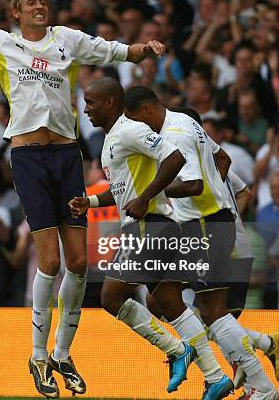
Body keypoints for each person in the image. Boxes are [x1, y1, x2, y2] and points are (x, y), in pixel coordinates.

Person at [0, 0, 165, 397]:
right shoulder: (2, 42)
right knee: (50, 263)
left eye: (44, 2)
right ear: (17, 11)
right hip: (29, 158)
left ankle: (62, 353)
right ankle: (37, 358)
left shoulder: (67, 40)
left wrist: (141, 50)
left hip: (67, 156)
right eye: (31, 2)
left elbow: (111, 50)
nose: (40, 6)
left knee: (78, 263)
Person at [71, 78, 231, 400]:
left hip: (150, 227)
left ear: (111, 103)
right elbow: (122, 194)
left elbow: (174, 158)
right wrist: (90, 202)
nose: (85, 108)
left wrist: (145, 198)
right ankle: (215, 377)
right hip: (150, 225)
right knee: (171, 305)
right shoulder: (111, 140)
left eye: (91, 102)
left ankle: (176, 351)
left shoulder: (130, 129)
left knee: (110, 296)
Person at [125, 87, 279, 400]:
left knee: (213, 313)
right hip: (206, 222)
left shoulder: (177, 134)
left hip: (205, 226)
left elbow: (194, 184)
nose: (136, 128)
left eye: (134, 120)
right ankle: (261, 360)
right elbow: (222, 158)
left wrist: (153, 195)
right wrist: (217, 193)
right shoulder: (185, 120)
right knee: (180, 305)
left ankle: (262, 387)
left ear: (145, 110)